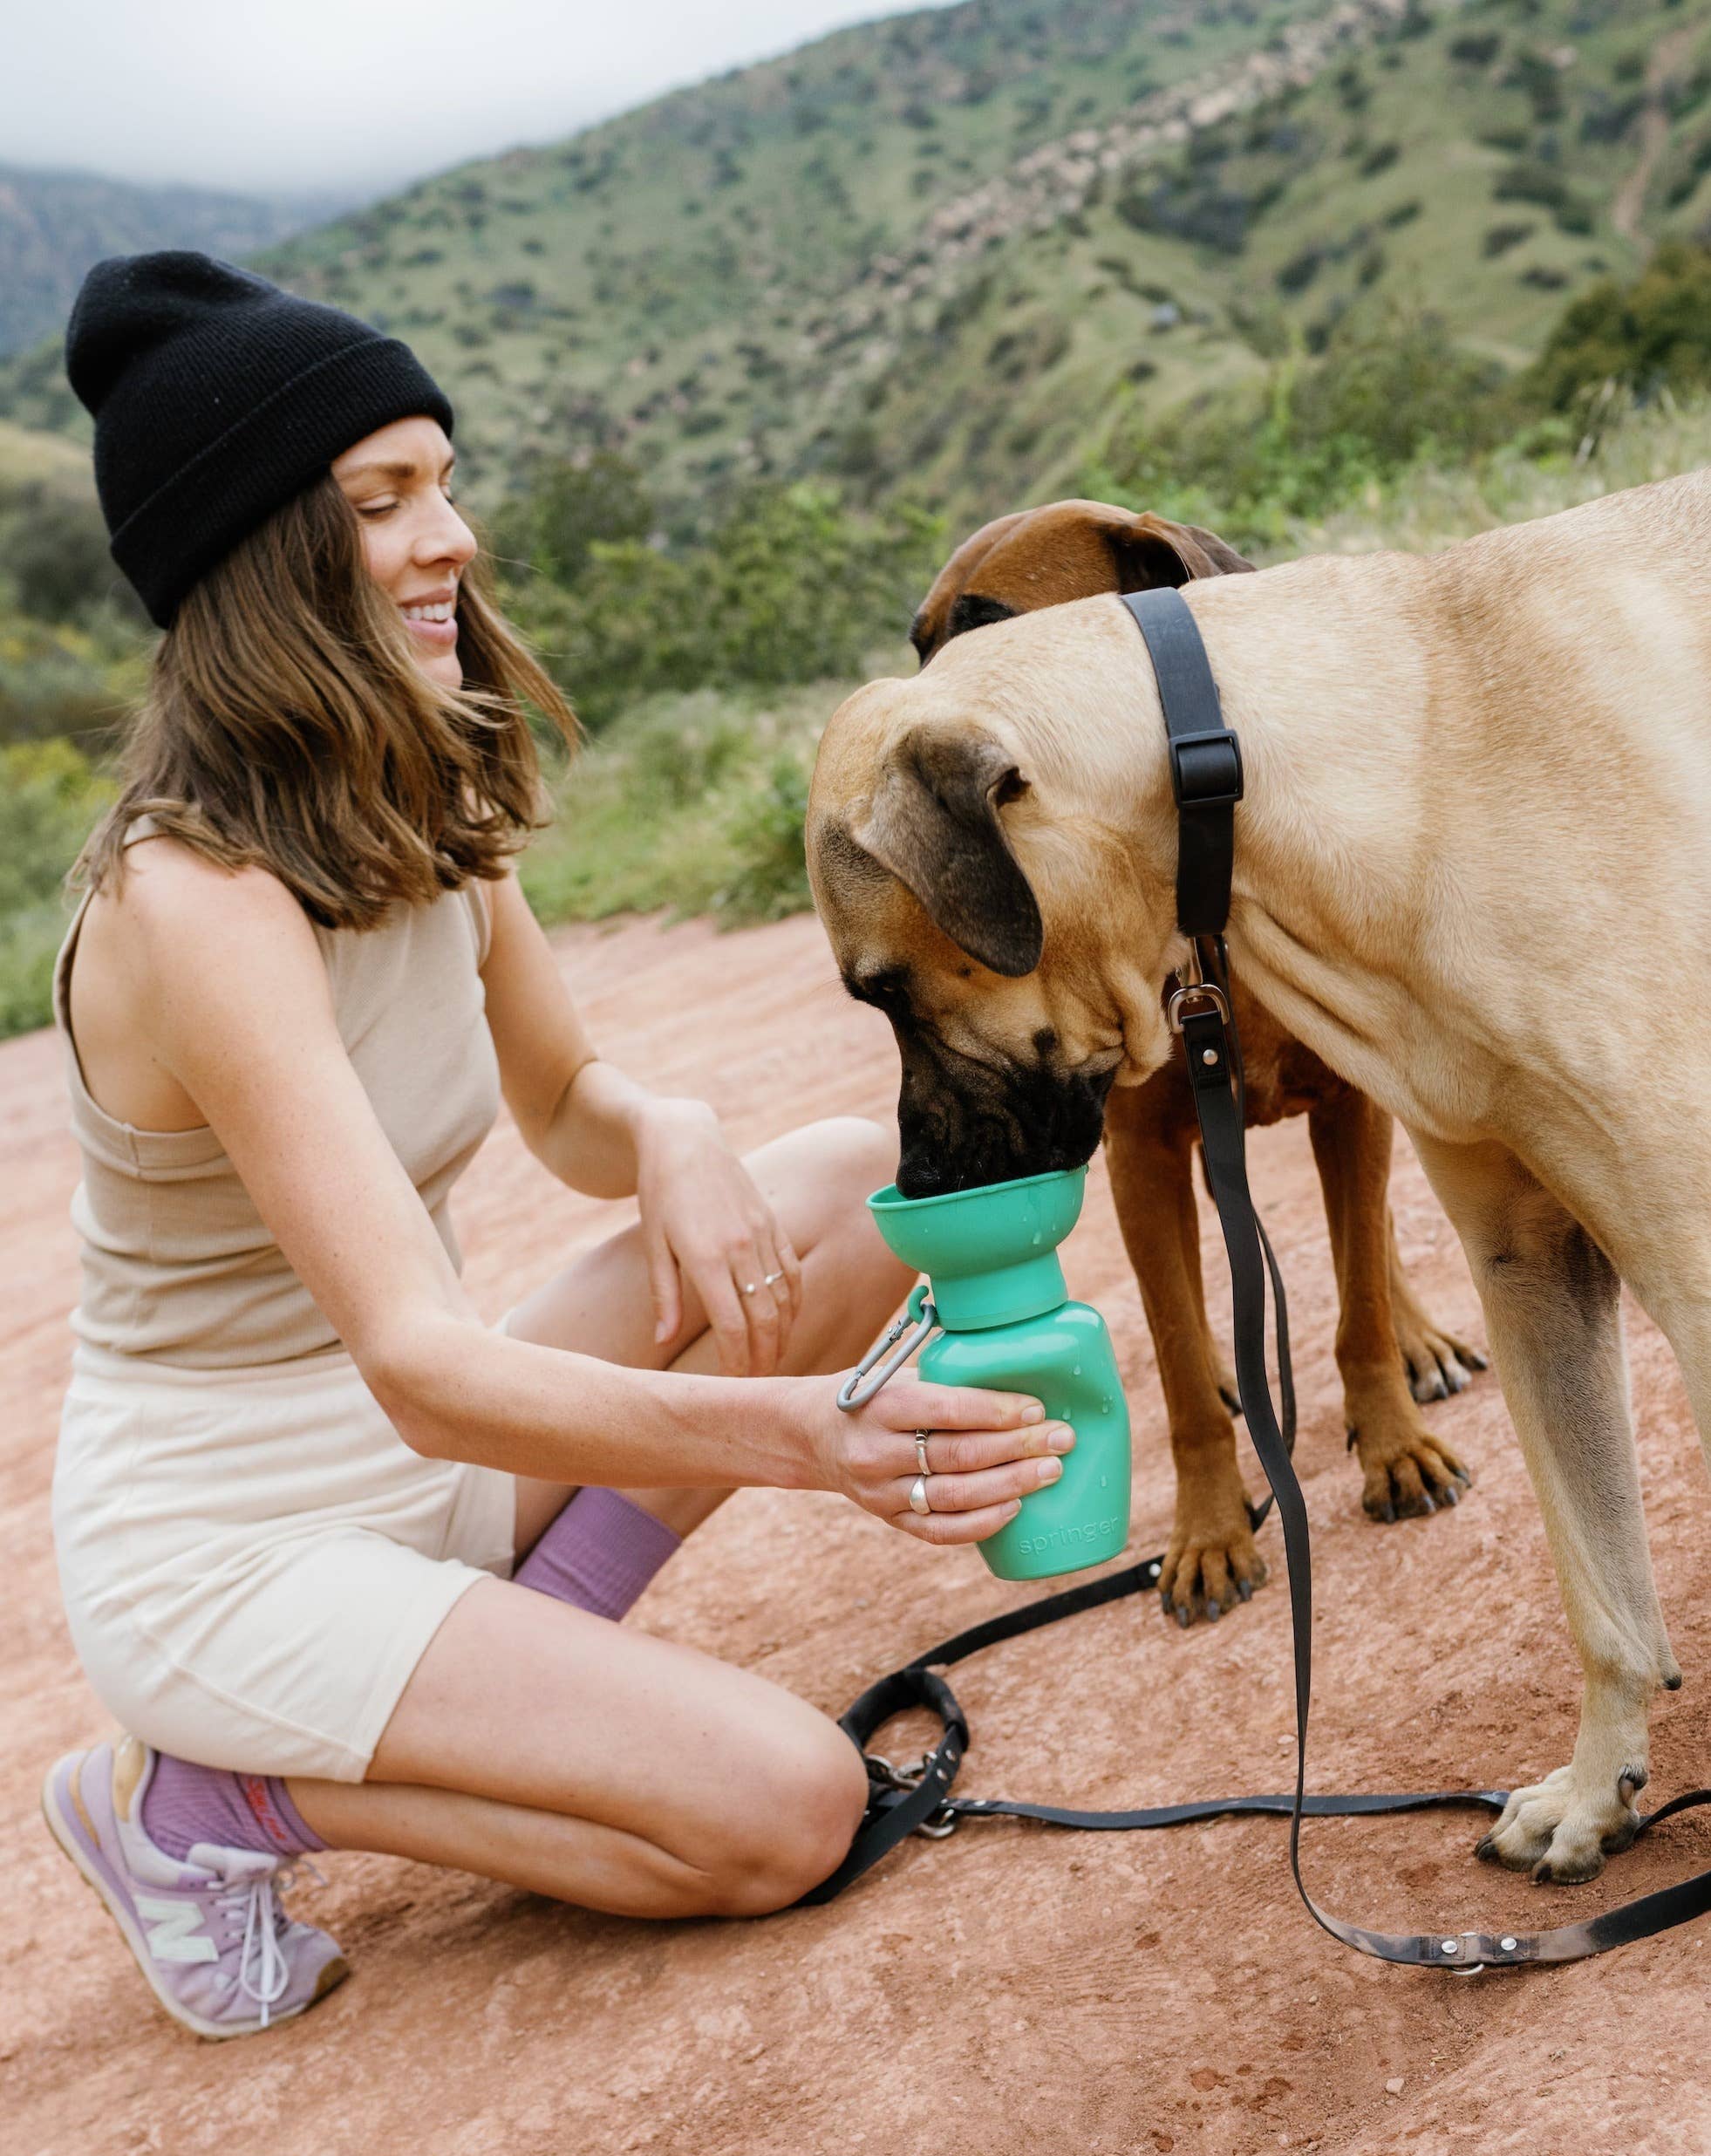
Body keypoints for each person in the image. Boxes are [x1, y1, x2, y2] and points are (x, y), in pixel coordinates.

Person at [39, 252, 1077, 2041]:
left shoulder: (427, 773)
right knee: (786, 1812)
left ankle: (523, 1664)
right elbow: (426, 1368)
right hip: (233, 1556)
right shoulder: (192, 899)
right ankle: (198, 1799)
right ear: (257, 558)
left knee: (829, 1192)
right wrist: (801, 1443)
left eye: (442, 477)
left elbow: (561, 1106)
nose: (450, 534)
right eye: (383, 500)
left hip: (413, 1474)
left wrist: (665, 1124)